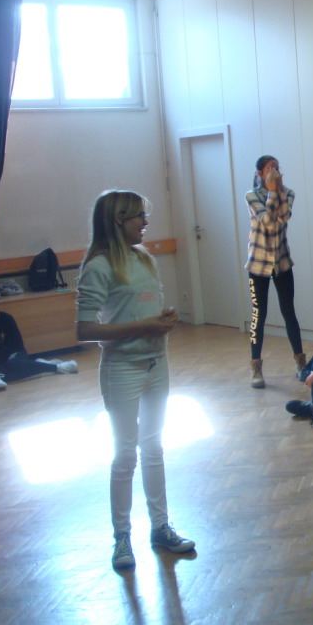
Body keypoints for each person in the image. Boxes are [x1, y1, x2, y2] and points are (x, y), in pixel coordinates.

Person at [76, 190, 195, 570]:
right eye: (138, 217)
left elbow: (144, 310)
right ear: (118, 220)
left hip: (156, 364)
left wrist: (163, 319)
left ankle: (161, 527)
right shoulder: (99, 266)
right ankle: (122, 538)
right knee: (125, 455)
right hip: (122, 369)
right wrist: (143, 326)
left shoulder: (144, 258)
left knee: (154, 448)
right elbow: (84, 330)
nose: (145, 223)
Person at [245, 155, 305, 389]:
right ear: (260, 173)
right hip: (257, 265)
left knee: (289, 311)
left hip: (282, 263)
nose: (275, 171)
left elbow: (284, 217)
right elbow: (268, 222)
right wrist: (271, 191)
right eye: (270, 168)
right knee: (258, 315)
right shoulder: (251, 196)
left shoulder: (288, 193)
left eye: (277, 168)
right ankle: (255, 366)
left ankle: (300, 361)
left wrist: (277, 191)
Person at [0, 288, 78, 384]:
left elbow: (17, 344)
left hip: (13, 353)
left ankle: (58, 367)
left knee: (12, 365)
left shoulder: (6, 318)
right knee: (2, 376)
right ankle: (34, 364)